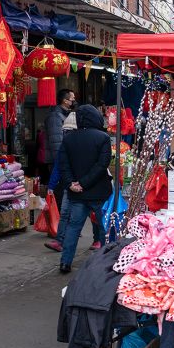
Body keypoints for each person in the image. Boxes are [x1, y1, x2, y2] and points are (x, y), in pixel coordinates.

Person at [57, 105, 114, 274]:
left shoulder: (68, 139)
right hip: (98, 192)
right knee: (105, 228)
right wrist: (84, 183)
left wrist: (72, 184)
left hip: (77, 194)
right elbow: (102, 165)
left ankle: (65, 262)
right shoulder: (102, 137)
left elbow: (63, 165)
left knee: (73, 227)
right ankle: (106, 263)